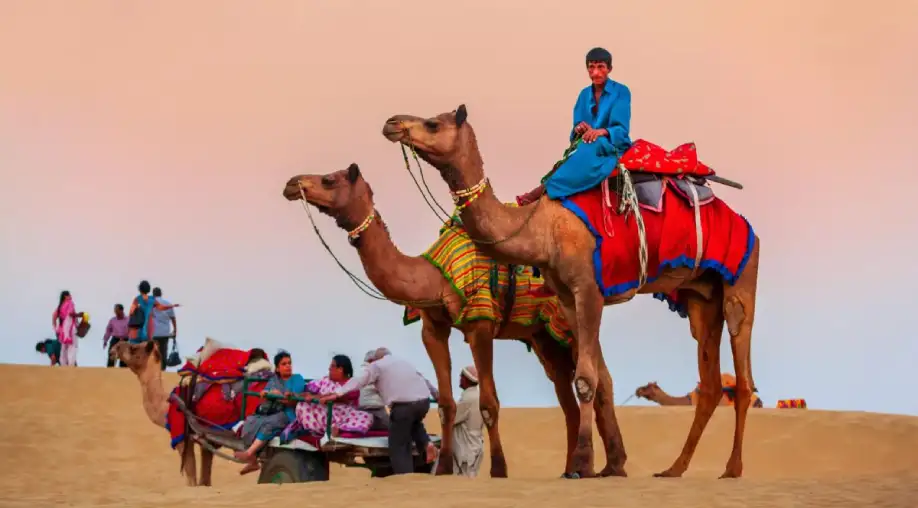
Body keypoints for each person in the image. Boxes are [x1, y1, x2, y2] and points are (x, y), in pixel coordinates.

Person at [517, 47, 633, 205]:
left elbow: (621, 130)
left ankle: (540, 192)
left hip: (610, 145)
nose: (596, 72)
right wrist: (579, 129)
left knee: (589, 148)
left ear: (609, 69)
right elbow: (576, 129)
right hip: (586, 144)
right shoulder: (584, 95)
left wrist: (600, 132)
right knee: (577, 151)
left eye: (600, 67)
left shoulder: (621, 91)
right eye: (591, 67)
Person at [320, 347, 439, 475]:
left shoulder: (377, 366)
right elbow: (423, 379)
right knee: (413, 423)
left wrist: (337, 394)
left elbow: (358, 381)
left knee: (397, 444)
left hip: (402, 407)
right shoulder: (403, 362)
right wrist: (437, 395)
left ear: (375, 359)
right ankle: (426, 444)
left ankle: (405, 476)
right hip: (423, 402)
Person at [234, 350, 307, 475]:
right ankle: (253, 461)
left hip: (289, 413)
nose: (288, 366)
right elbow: (266, 392)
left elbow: (294, 400)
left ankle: (249, 453)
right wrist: (268, 393)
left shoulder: (297, 379)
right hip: (273, 410)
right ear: (278, 368)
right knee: (252, 421)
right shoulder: (274, 380)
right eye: (284, 364)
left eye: (289, 363)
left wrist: (279, 396)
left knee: (271, 423)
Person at [296, 355, 374, 436]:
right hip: (324, 414)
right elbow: (308, 392)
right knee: (302, 405)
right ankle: (323, 430)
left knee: (366, 417)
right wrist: (294, 394)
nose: (329, 368)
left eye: (332, 366)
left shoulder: (352, 384)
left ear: (340, 369)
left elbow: (342, 398)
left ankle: (339, 429)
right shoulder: (325, 381)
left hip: (344, 415)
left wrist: (317, 397)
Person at [451, 365, 485, 477]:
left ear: (466, 379)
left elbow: (451, 419)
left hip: (466, 449)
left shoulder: (468, 399)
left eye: (461, 376)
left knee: (464, 483)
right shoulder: (478, 396)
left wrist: (443, 407)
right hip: (475, 446)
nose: (459, 378)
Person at [359, 349, 390, 431]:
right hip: (374, 410)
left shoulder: (360, 371)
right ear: (371, 360)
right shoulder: (373, 371)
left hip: (359, 410)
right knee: (397, 426)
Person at [51, 290, 82, 367]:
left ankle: (63, 364)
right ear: (66, 296)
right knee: (72, 346)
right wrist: (79, 315)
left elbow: (54, 317)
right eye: (69, 295)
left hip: (62, 330)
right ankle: (71, 364)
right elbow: (70, 314)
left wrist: (55, 328)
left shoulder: (60, 307)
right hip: (70, 328)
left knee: (64, 348)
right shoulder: (70, 303)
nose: (71, 296)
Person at [151, 287, 177, 370]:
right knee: (163, 352)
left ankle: (154, 370)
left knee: (153, 352)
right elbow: (173, 318)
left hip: (153, 333)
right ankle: (162, 370)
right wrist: (175, 330)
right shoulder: (168, 304)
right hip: (164, 333)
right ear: (161, 294)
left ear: (153, 294)